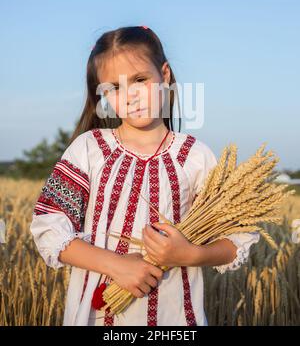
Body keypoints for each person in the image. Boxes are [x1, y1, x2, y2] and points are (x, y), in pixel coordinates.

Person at [29, 25, 260, 326]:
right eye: (114, 88)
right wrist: (115, 265)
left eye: (140, 80)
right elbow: (49, 227)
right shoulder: (89, 149)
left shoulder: (196, 157)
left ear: (164, 75)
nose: (131, 97)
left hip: (175, 319)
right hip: (95, 318)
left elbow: (236, 239)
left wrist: (189, 255)